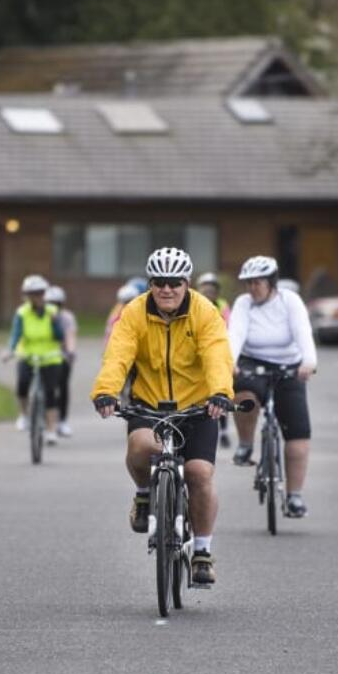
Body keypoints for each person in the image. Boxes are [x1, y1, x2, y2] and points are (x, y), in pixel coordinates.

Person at [91, 247, 234, 586]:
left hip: (198, 405)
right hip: (149, 403)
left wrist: (220, 393)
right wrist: (106, 390)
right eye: (158, 282)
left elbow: (217, 354)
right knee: (141, 446)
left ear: (186, 283)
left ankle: (201, 551)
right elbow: (118, 354)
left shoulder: (205, 312)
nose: (166, 289)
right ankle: (144, 493)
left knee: (199, 473)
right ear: (150, 284)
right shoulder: (134, 312)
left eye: (174, 282)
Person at [227, 255, 318, 518]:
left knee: (298, 435)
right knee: (243, 395)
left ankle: (294, 497)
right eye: (249, 283)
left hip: (288, 367)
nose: (252, 288)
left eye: (257, 283)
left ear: (272, 283)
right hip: (251, 363)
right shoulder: (243, 303)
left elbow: (303, 333)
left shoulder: (290, 301)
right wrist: (230, 362)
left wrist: (308, 362)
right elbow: (236, 334)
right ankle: (245, 444)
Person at [2, 274, 65, 444]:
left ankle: (51, 430)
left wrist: (54, 323)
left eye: (39, 293)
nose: (36, 297)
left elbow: (60, 336)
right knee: (22, 385)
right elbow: (16, 335)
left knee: (51, 393)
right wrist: (10, 351)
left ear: (44, 294)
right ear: (27, 296)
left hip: (50, 357)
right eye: (32, 294)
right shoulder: (22, 313)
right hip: (28, 355)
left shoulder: (53, 312)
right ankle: (24, 415)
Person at [196, 272, 233, 448]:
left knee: (221, 389)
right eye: (205, 288)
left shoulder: (222, 305)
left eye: (212, 289)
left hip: (217, 350)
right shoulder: (193, 305)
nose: (208, 292)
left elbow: (229, 328)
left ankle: (223, 429)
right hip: (197, 354)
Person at [45, 285, 77, 438]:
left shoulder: (67, 317)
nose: (53, 307)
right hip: (44, 356)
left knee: (62, 387)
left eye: (56, 303)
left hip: (62, 355)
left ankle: (62, 420)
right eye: (50, 303)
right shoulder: (41, 316)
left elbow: (70, 335)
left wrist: (70, 352)